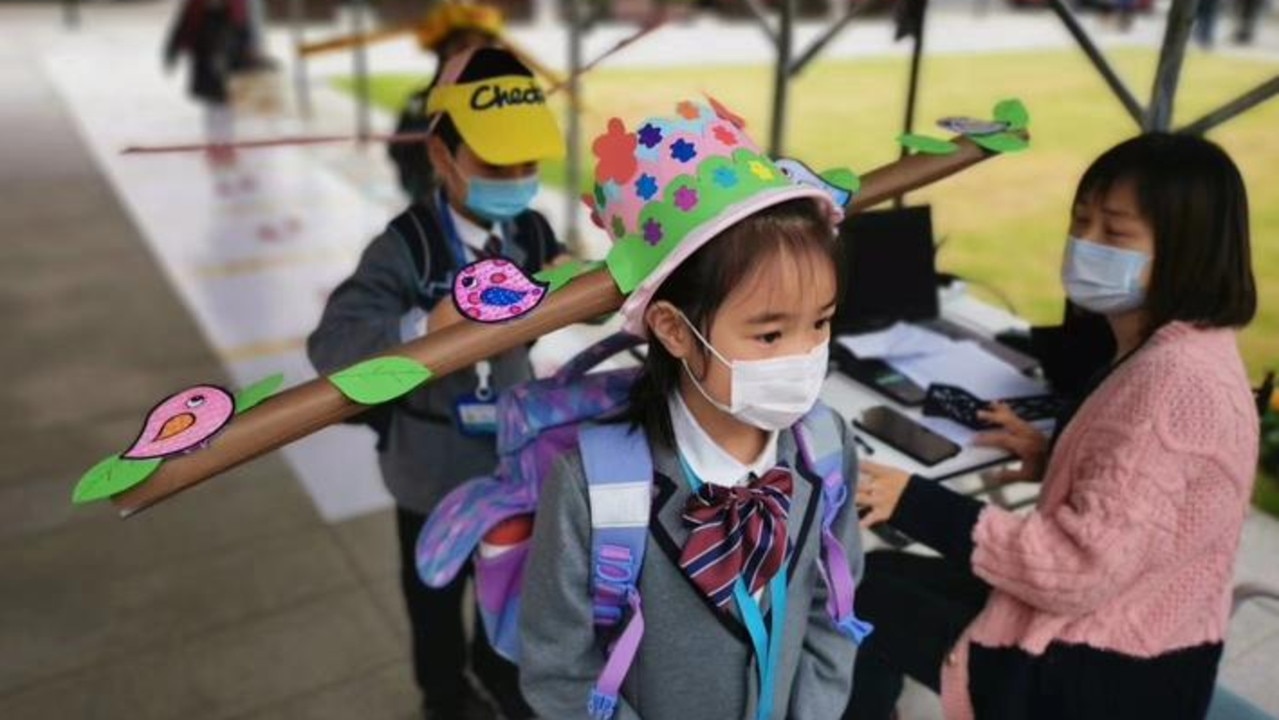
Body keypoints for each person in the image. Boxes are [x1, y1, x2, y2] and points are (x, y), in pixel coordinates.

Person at [845, 132, 1259, 720]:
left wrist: (915, 501)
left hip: (1103, 673)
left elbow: (1076, 571)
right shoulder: (1178, 349)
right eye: (1080, 221)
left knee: (859, 591)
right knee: (875, 575)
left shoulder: (1173, 384)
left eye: (1114, 233)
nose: (1083, 244)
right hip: (1132, 628)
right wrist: (1057, 456)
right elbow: (1146, 501)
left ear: (1188, 249)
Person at [518, 99, 868, 719]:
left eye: (821, 322)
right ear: (675, 331)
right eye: (769, 335)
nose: (806, 354)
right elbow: (558, 668)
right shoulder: (592, 490)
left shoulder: (828, 447)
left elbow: (830, 608)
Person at [307, 46, 566, 720]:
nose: (514, 178)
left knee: (506, 584)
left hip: (509, 467)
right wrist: (427, 323)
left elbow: (561, 289)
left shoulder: (530, 231)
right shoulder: (404, 247)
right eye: (493, 163)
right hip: (429, 475)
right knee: (433, 595)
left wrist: (588, 283)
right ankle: (444, 697)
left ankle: (496, 669)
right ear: (441, 156)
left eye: (527, 164)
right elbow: (333, 347)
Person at [389, 3, 504, 202]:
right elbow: (401, 155)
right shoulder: (420, 104)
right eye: (462, 46)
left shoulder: (503, 101)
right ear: (444, 54)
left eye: (481, 47)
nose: (471, 55)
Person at [163, 0, 259, 161]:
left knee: (227, 101)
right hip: (205, 54)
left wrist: (251, 51)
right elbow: (184, 24)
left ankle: (227, 142)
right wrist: (172, 51)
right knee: (212, 102)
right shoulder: (196, 5)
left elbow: (245, 26)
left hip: (231, 56)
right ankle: (214, 142)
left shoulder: (237, 4)